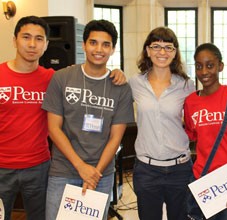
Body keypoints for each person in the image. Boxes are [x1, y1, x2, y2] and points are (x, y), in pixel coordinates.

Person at [42, 19, 134, 220]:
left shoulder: (121, 88)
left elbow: (115, 138)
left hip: (100, 175)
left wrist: (94, 174)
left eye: (106, 44)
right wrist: (81, 167)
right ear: (84, 45)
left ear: (112, 49)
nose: (99, 49)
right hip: (63, 171)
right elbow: (53, 129)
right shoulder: (62, 78)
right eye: (93, 42)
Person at [129, 26, 195, 220]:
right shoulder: (134, 83)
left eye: (168, 47)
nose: (162, 52)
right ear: (147, 51)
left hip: (180, 169)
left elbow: (197, 116)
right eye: (156, 46)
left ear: (175, 53)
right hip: (146, 170)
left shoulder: (186, 85)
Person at [184, 43, 227, 220]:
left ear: (220, 66)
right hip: (202, 180)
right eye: (199, 66)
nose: (204, 71)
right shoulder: (190, 102)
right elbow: (193, 136)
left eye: (210, 65)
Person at [0, 15, 51, 220]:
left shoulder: (52, 79)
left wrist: (115, 74)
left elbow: (87, 77)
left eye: (39, 39)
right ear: (15, 40)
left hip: (38, 167)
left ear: (46, 45)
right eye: (26, 37)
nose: (32, 44)